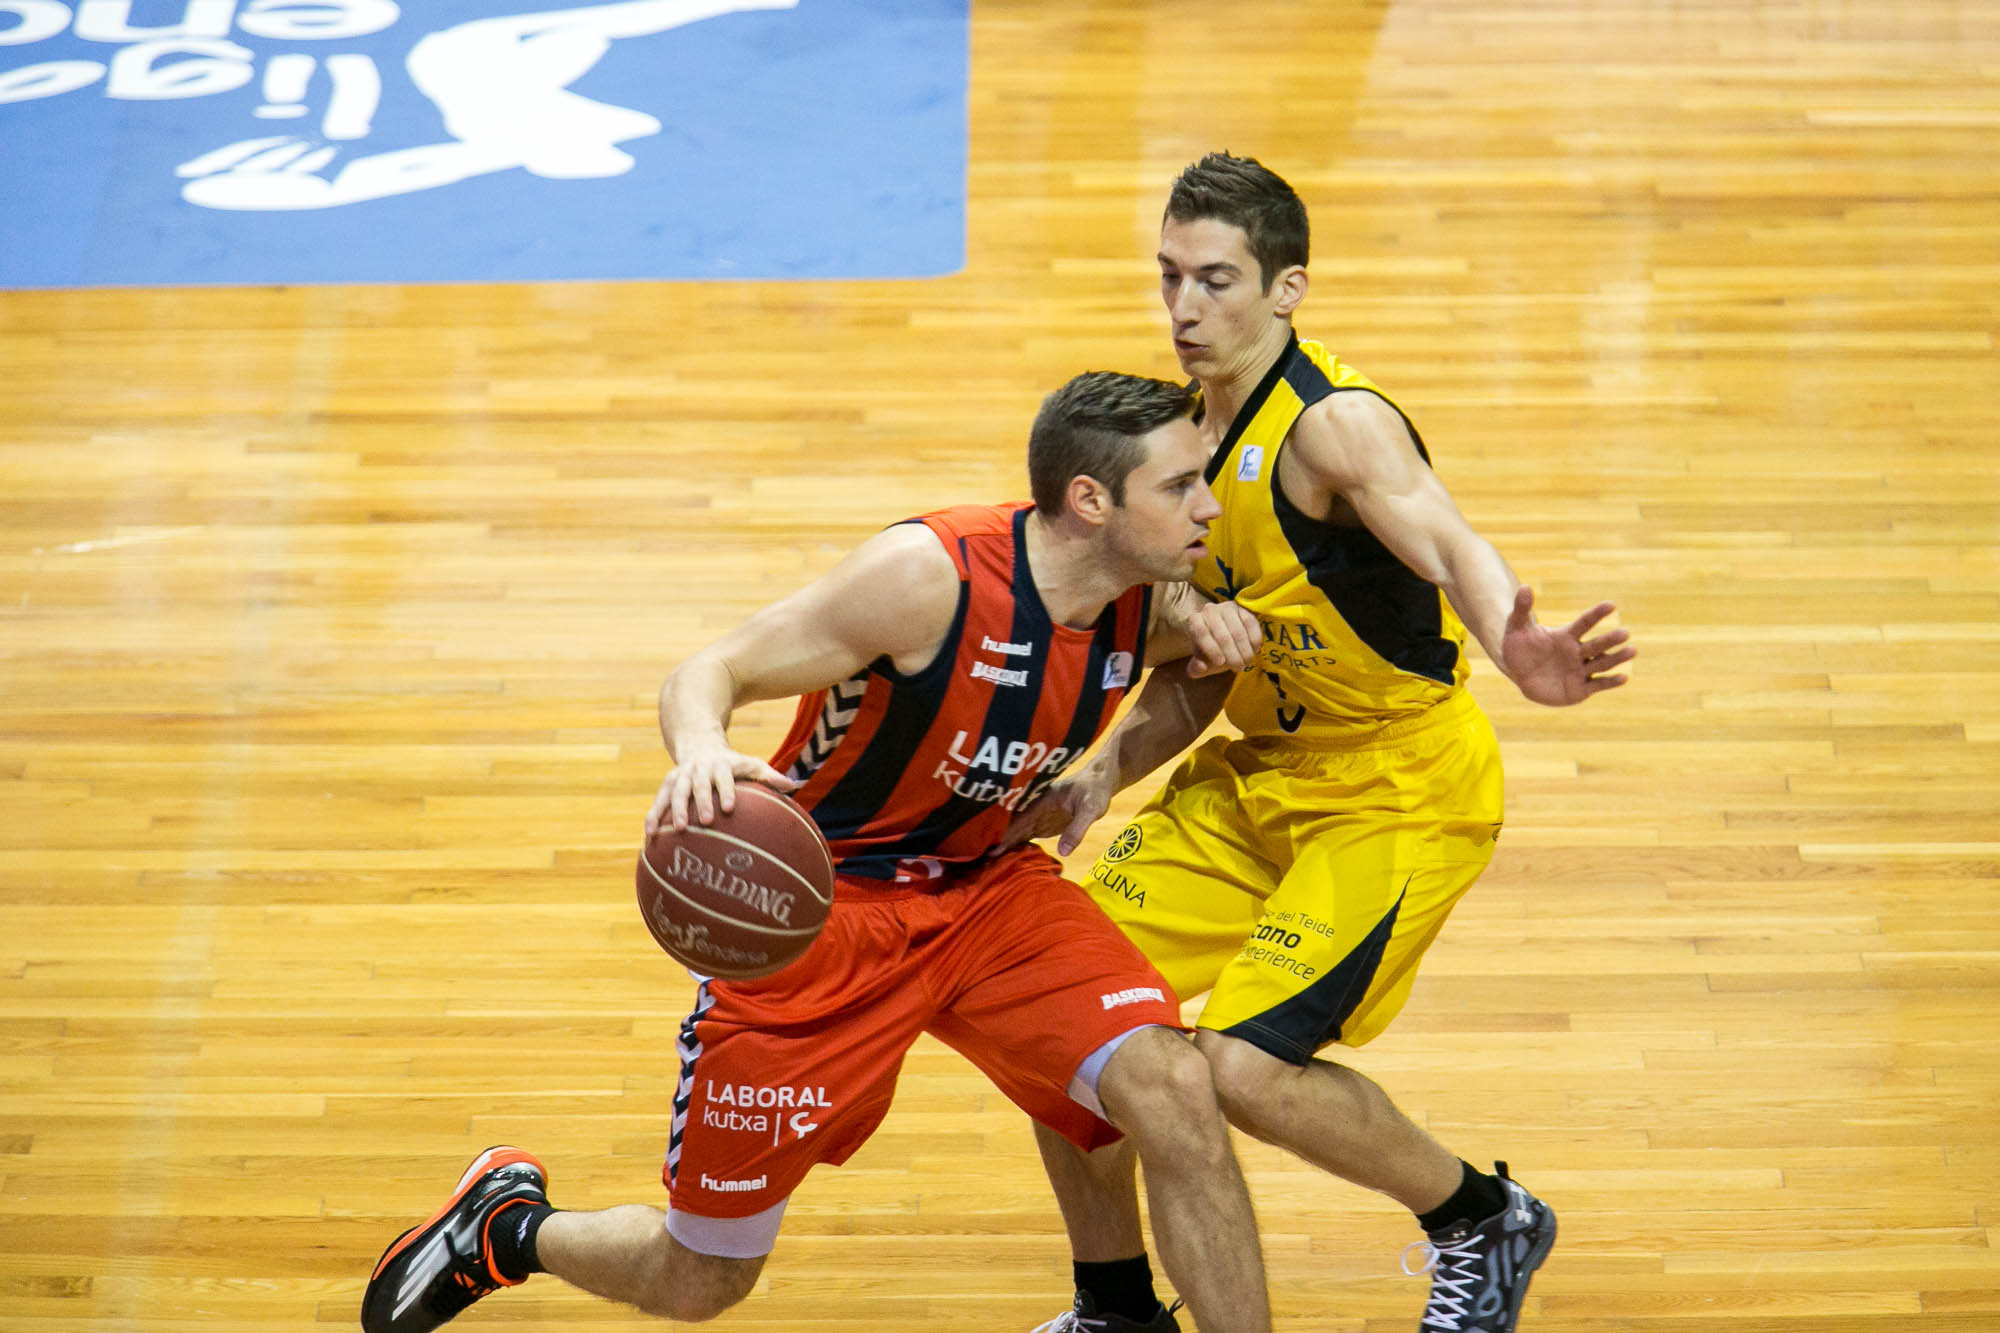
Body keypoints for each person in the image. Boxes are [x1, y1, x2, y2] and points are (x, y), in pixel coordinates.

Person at [359, 371, 1275, 1333]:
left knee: (1167, 1086)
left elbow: (1189, 670)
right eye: (1180, 486)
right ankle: (508, 1229)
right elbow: (710, 669)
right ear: (1091, 501)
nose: (1209, 506)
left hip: (989, 891)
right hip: (824, 916)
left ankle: (1119, 1313)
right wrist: (706, 750)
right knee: (700, 1279)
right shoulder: (930, 578)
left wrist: (1108, 768)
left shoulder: (1150, 586)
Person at [1014, 154, 1636, 1333]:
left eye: (1216, 280)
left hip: (1396, 788)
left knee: (1244, 1068)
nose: (1184, 309)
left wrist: (1518, 648)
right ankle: (1114, 1306)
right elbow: (1205, 678)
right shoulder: (1176, 444)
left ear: (1286, 288)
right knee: (1065, 1019)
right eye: (1168, 280)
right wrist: (1101, 761)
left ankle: (1478, 1217)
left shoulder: (1333, 426)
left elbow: (1446, 539)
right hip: (1258, 781)